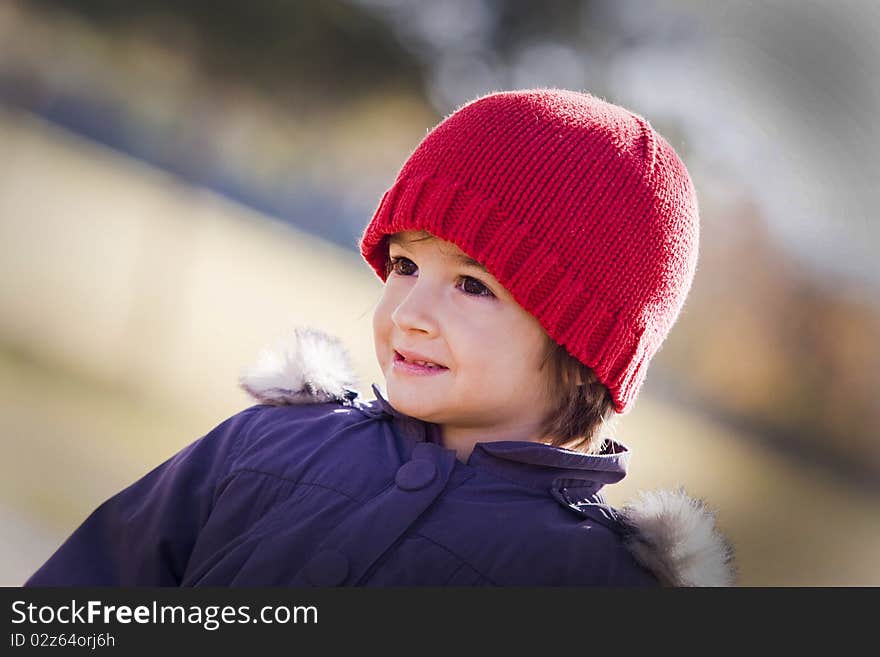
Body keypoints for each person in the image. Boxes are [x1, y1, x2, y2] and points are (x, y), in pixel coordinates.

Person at [25, 88, 735, 587]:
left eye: (472, 284)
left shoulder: (591, 579)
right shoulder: (269, 444)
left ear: (582, 348)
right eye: (404, 264)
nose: (410, 312)